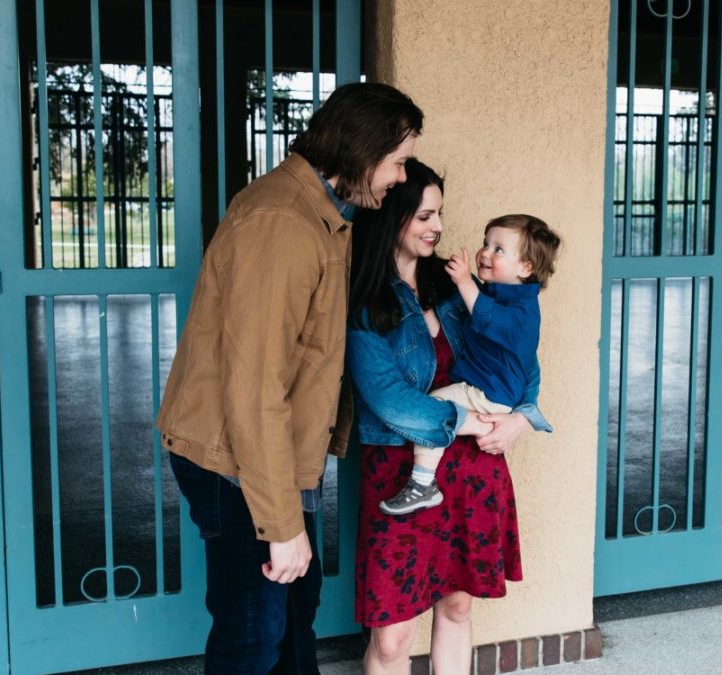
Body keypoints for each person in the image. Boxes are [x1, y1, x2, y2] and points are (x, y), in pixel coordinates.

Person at [156, 82, 423, 674]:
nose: (401, 177)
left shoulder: (319, 212)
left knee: (292, 610)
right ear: (362, 148)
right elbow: (254, 387)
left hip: (266, 456)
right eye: (398, 160)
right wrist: (281, 525)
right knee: (253, 633)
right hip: (234, 459)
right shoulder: (283, 222)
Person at [346, 159, 553, 673]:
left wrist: (521, 419)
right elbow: (387, 397)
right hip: (403, 480)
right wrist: (466, 421)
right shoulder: (365, 301)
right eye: (423, 216)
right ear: (391, 216)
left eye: (439, 214)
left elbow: (517, 356)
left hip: (473, 474)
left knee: (457, 607)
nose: (437, 227)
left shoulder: (454, 284)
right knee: (392, 637)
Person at [379, 213, 561, 515]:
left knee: (437, 406)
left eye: (498, 249)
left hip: (489, 397)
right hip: (485, 396)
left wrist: (464, 281)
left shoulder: (519, 308)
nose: (485, 253)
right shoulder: (497, 294)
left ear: (525, 267)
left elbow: (487, 319)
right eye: (485, 244)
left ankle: (423, 483)